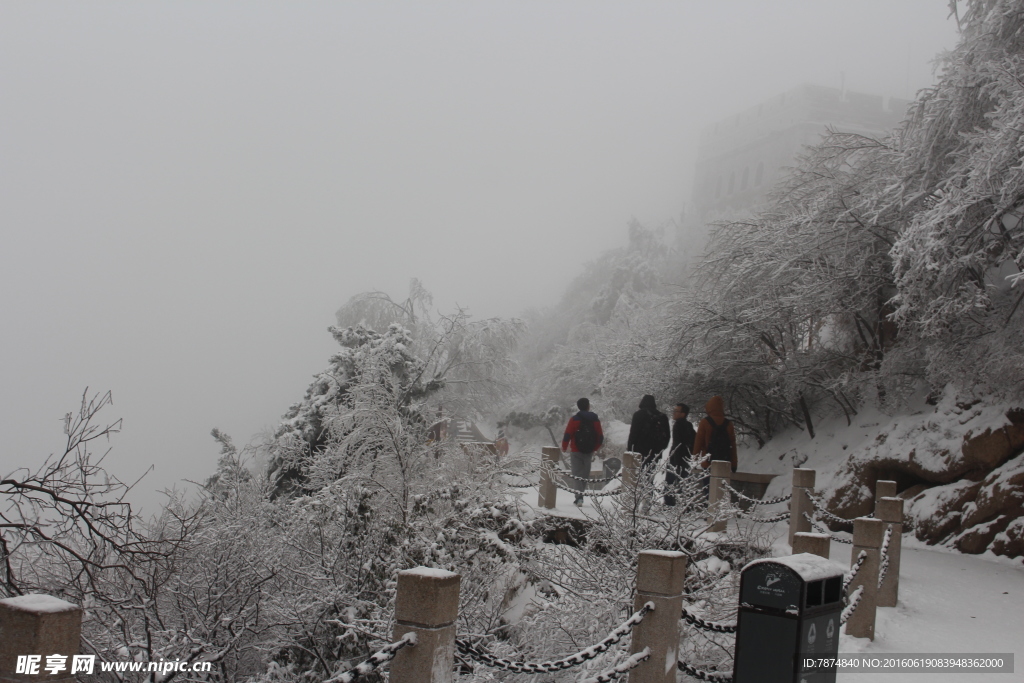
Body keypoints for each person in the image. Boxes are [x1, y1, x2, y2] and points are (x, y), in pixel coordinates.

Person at [561, 398, 604, 506]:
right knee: (585, 474)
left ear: (578, 406)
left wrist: (564, 447)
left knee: (576, 474)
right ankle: (581, 495)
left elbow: (568, 434)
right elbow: (600, 436)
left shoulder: (574, 419)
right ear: (588, 406)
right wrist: (595, 448)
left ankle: (579, 497)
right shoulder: (595, 419)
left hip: (576, 450)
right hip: (589, 451)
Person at [693, 396, 738, 499]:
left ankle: (709, 511)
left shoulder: (705, 422)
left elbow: (698, 442)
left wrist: (694, 459)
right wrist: (734, 464)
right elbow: (733, 445)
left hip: (708, 462)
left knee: (708, 489)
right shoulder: (728, 424)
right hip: (724, 462)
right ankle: (718, 511)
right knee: (721, 490)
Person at [627, 395, 671, 495]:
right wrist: (660, 449)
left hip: (639, 451)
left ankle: (637, 499)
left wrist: (630, 449)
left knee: (637, 476)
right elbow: (667, 436)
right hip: (655, 451)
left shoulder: (638, 415)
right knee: (650, 476)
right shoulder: (662, 417)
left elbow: (633, 433)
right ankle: (647, 499)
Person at [664, 402, 696, 507]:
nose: (674, 413)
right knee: (684, 482)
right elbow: (693, 440)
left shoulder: (678, 425)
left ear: (683, 414)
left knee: (670, 482)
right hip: (686, 458)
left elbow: (677, 444)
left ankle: (669, 504)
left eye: (676, 411)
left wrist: (675, 460)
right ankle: (684, 505)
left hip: (676, 458)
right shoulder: (689, 425)